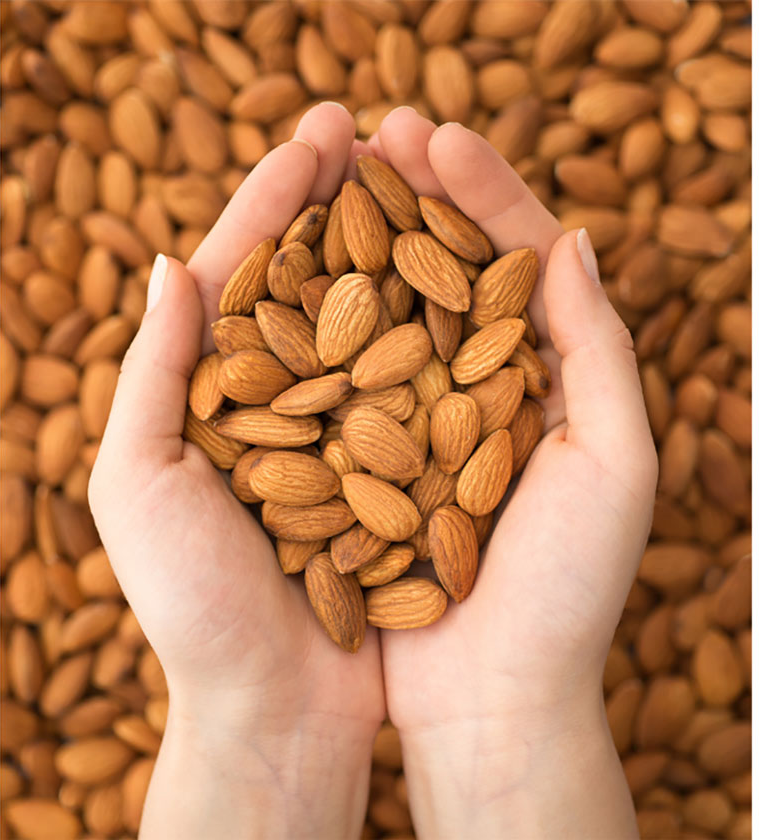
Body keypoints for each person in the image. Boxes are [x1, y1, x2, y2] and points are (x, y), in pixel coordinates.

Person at [89, 102, 658, 840]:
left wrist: (250, 734)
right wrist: (519, 723)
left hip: (394, 459)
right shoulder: (346, 420)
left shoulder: (409, 402)